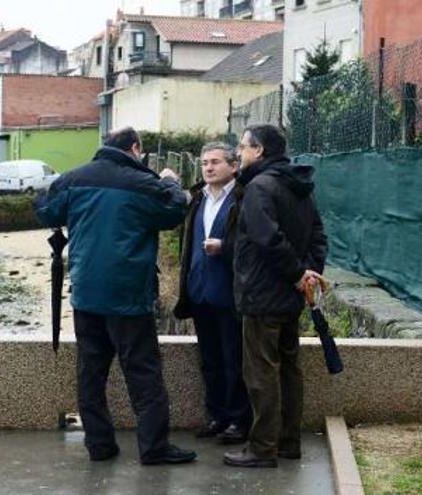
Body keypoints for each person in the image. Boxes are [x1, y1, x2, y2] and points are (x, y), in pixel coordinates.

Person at [35, 127, 196, 466]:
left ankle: (100, 445)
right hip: (129, 297)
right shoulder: (142, 183)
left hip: (87, 293)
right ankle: (153, 448)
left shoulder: (73, 179)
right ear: (135, 148)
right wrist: (168, 180)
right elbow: (175, 210)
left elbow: (46, 210)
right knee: (143, 373)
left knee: (91, 373)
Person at [223, 124, 327, 468]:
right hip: (289, 296)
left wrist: (299, 274)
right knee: (289, 369)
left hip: (262, 294)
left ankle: (262, 449)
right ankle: (288, 442)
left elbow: (267, 238)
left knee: (261, 373)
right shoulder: (299, 187)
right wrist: (307, 273)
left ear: (260, 151)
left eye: (243, 147)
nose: (239, 153)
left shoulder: (259, 187)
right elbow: (317, 237)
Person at [173, 142, 250, 445]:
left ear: (233, 166)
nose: (208, 167)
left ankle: (237, 420)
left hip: (231, 294)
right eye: (205, 162)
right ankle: (216, 415)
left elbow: (251, 242)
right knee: (210, 360)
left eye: (216, 162)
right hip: (200, 293)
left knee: (235, 360)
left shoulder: (243, 198)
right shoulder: (197, 199)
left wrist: (225, 247)